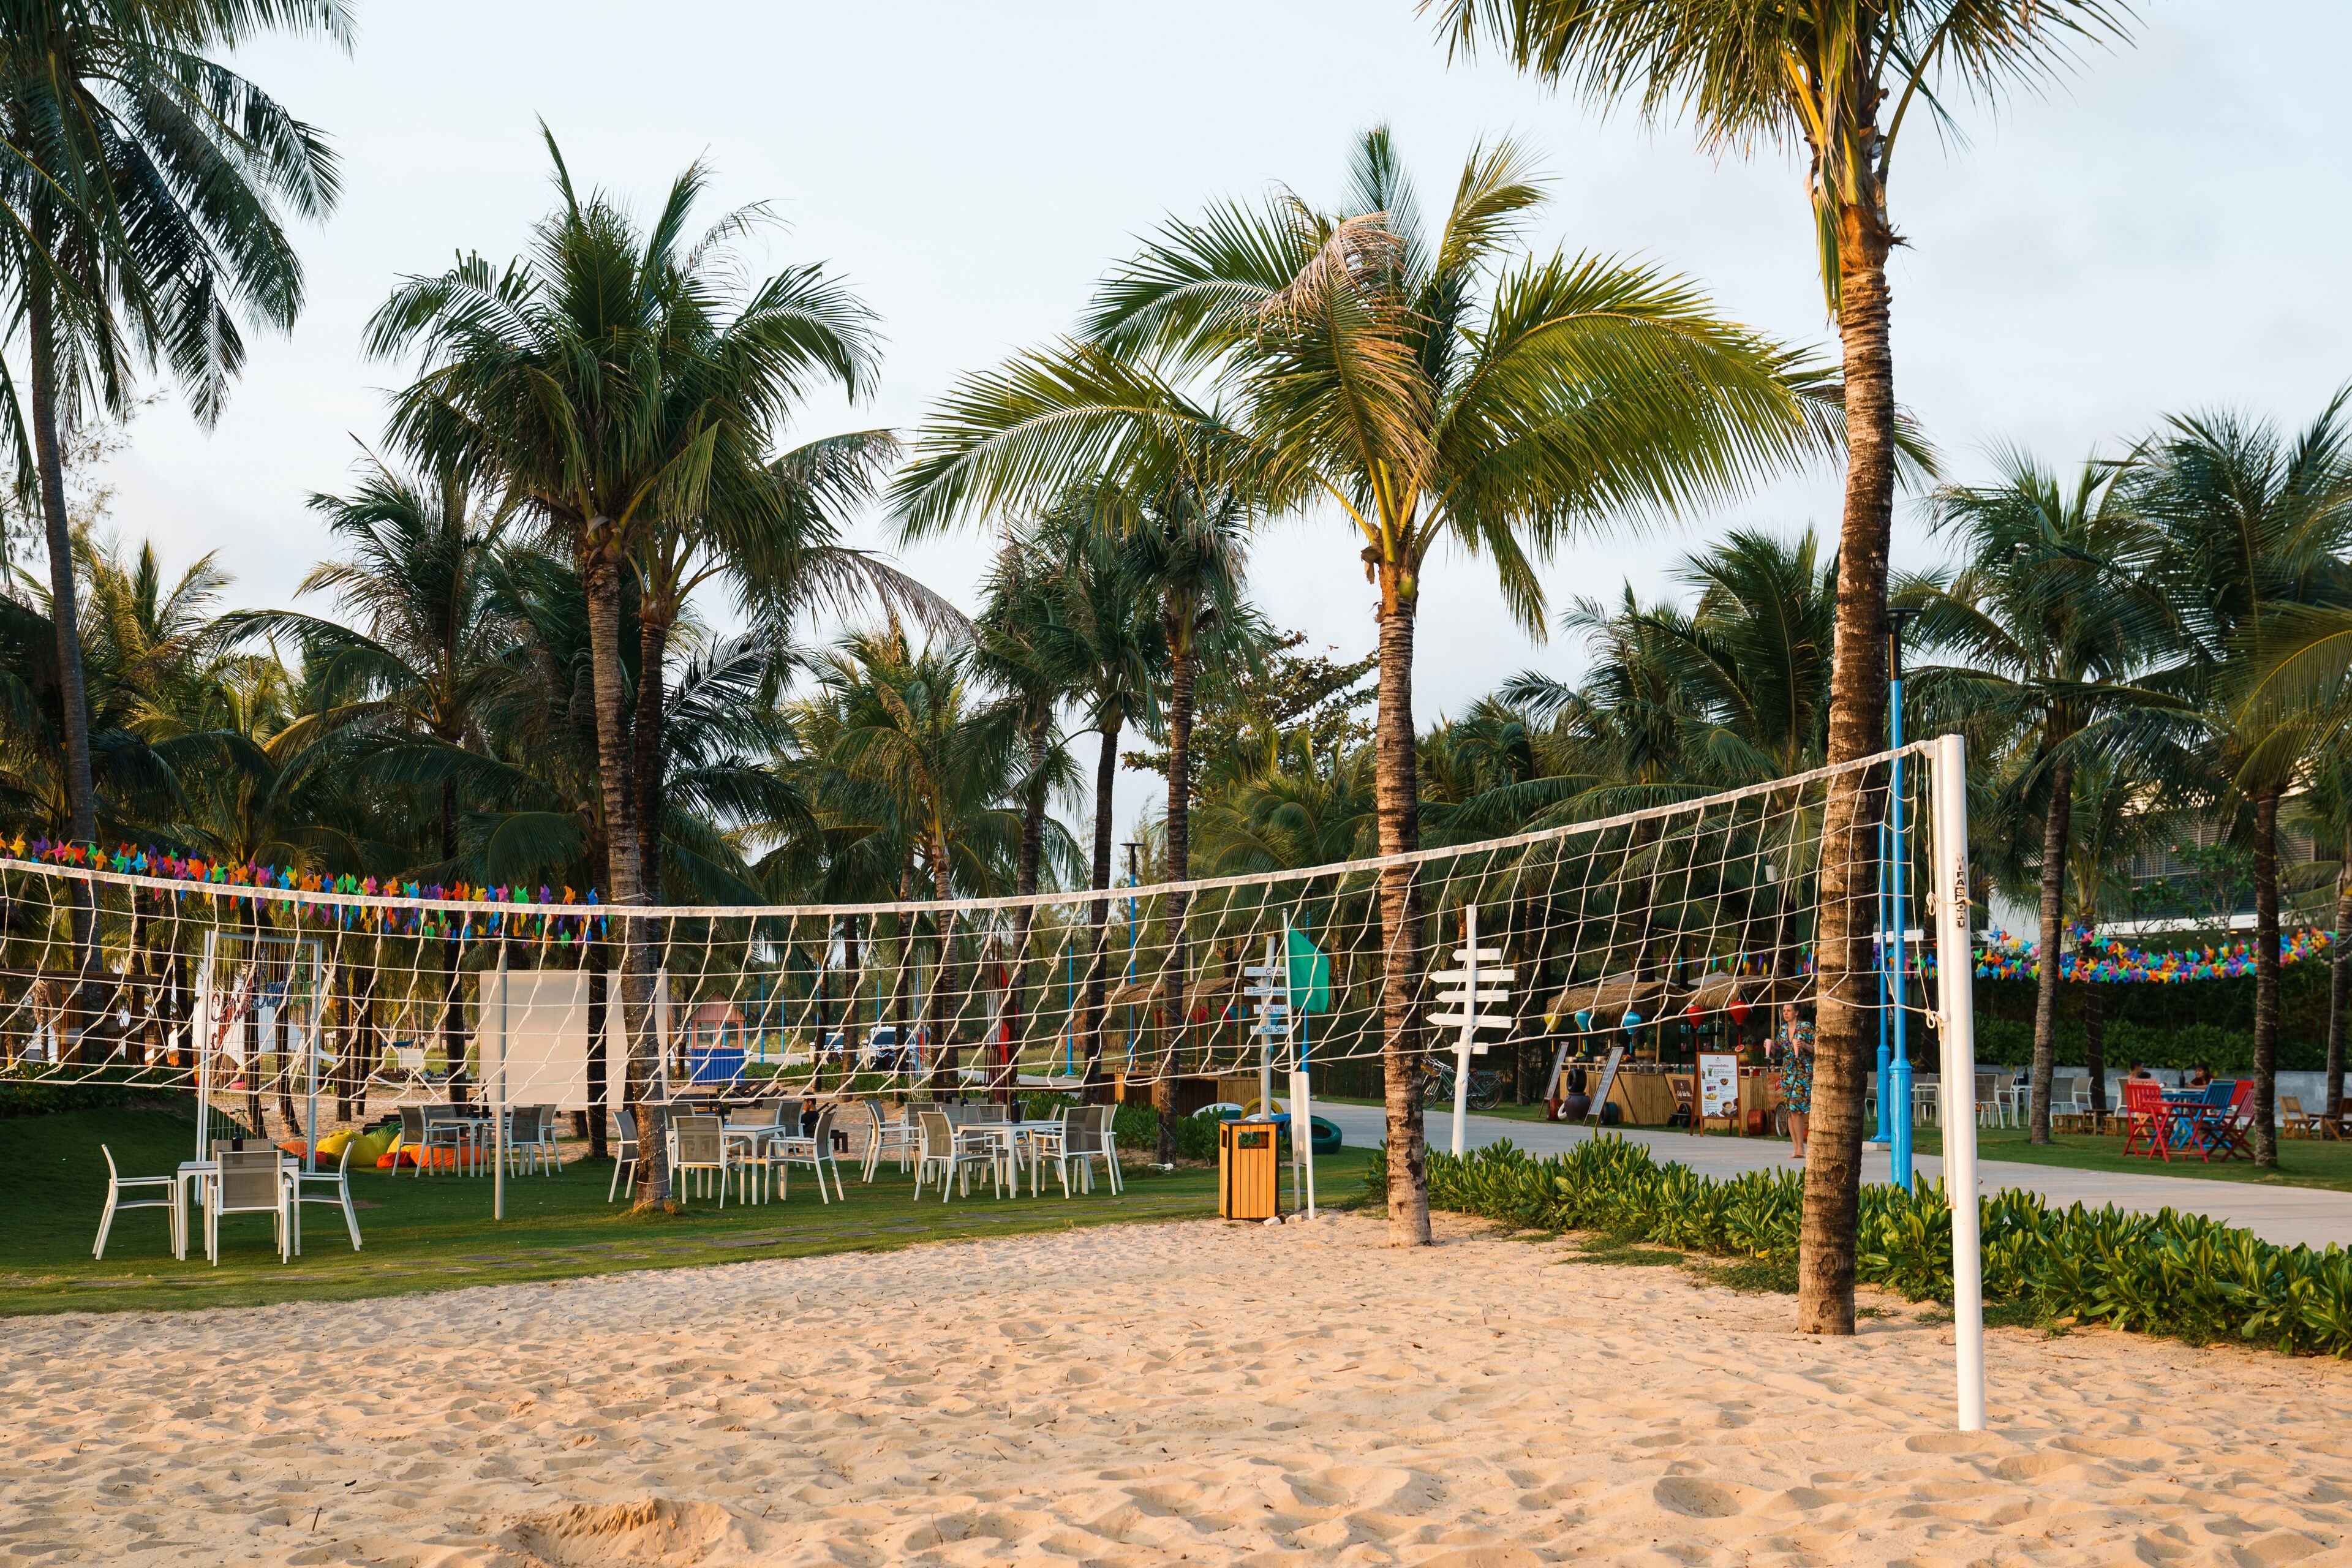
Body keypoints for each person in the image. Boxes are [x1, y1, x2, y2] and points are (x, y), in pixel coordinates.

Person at [1774, 1001, 1814, 1160]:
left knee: (1796, 1107)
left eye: (1789, 1010)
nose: (1786, 1013)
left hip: (1803, 1072)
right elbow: (1778, 1052)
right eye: (1784, 1010)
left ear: (1796, 1013)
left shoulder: (1806, 1027)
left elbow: (1818, 1048)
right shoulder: (1782, 1030)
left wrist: (1804, 1045)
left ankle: (1801, 1148)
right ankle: (1796, 1147)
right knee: (1790, 1111)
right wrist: (1770, 1049)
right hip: (1788, 1074)